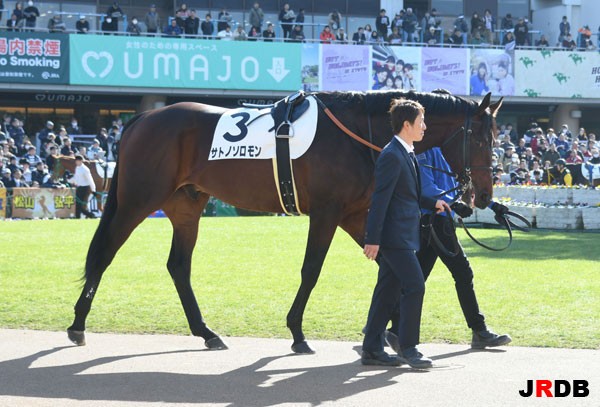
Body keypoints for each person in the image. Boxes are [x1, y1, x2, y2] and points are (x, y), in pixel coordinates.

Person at [384, 147, 511, 352]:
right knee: (462, 272)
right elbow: (427, 188)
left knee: (416, 278)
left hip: (436, 221)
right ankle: (479, 331)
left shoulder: (438, 150)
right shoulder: (423, 152)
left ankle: (390, 328)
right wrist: (455, 205)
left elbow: (452, 187)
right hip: (435, 221)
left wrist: (493, 206)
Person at [361, 99, 450, 368]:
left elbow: (408, 194)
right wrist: (372, 239)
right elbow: (380, 200)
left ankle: (372, 349)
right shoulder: (392, 155)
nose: (425, 126)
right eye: (421, 121)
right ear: (406, 125)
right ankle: (409, 348)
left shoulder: (407, 152)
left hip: (402, 235)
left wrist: (432, 202)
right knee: (415, 285)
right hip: (393, 238)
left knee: (387, 291)